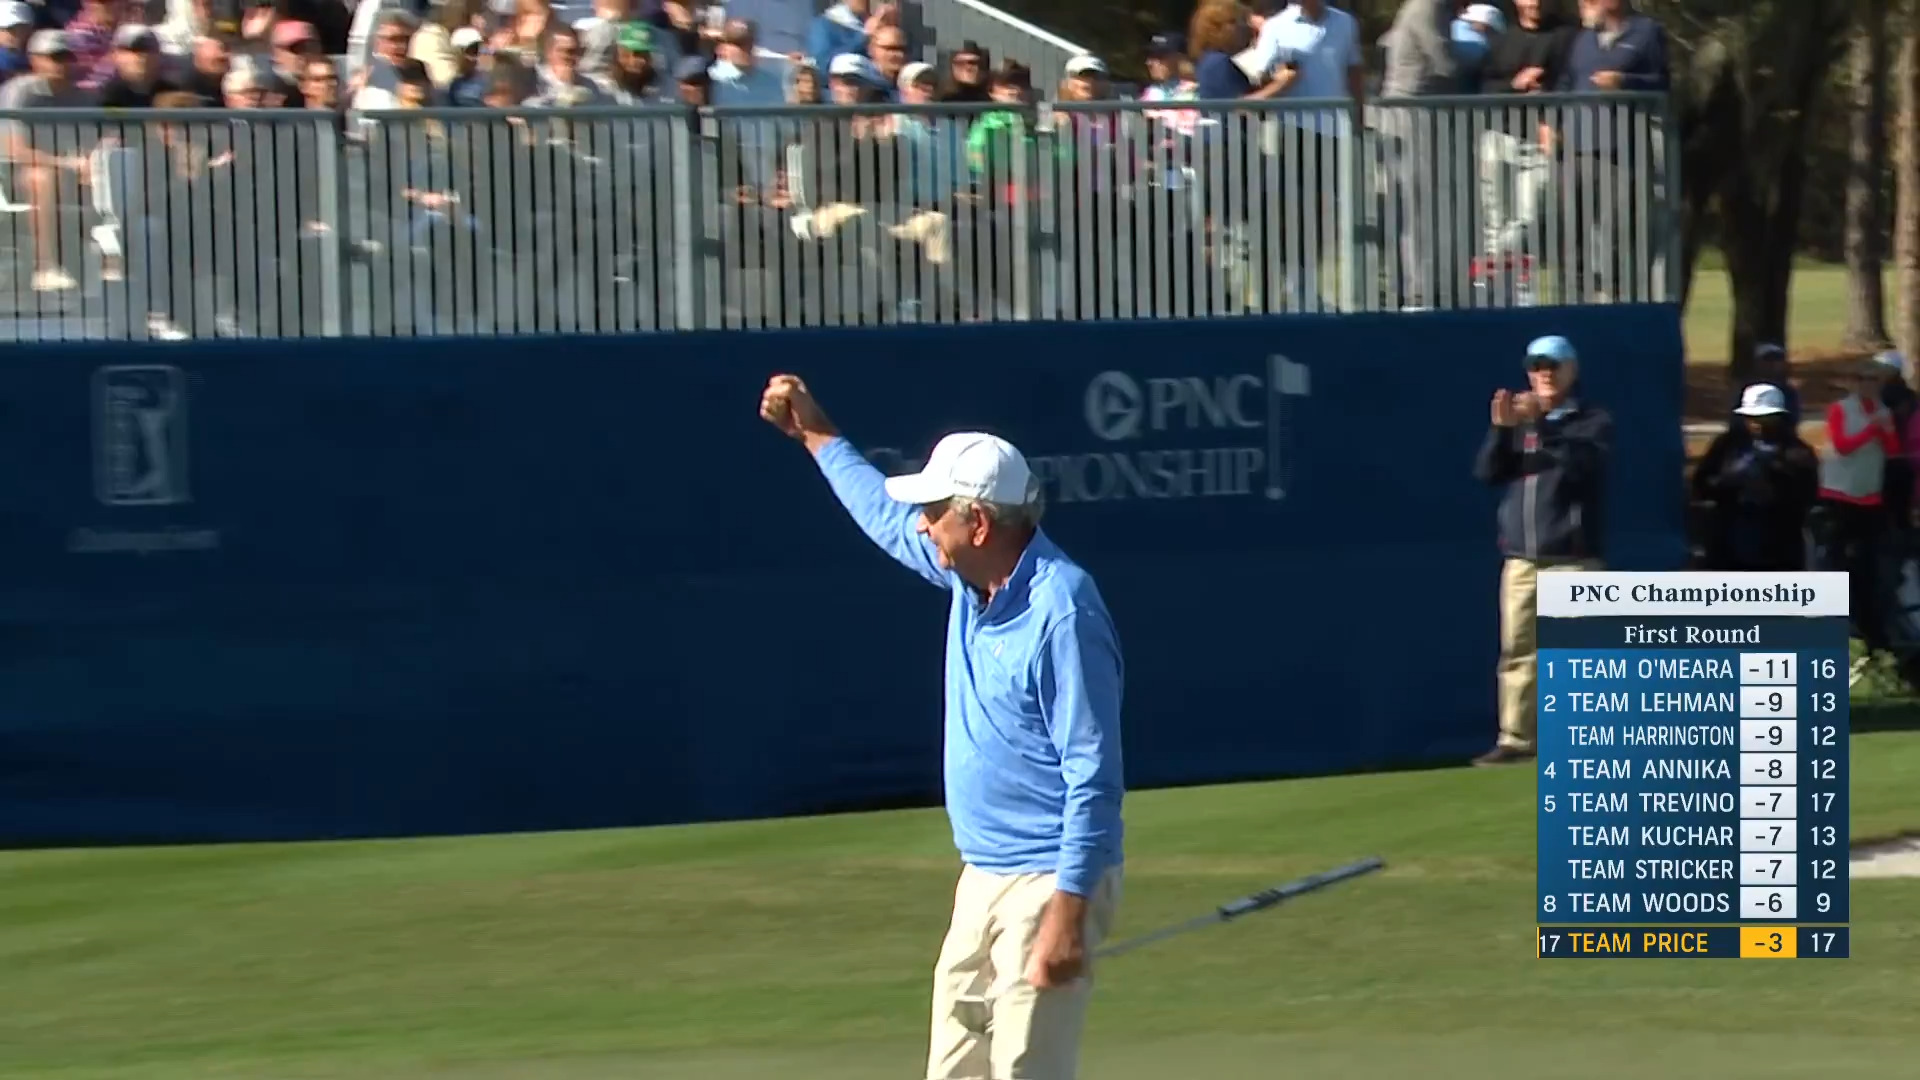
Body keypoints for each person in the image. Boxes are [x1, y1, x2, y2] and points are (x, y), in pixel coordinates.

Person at [758, 374, 1125, 1080]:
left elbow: (1094, 775)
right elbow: (880, 513)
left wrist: (1068, 912)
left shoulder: (1064, 612)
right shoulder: (967, 573)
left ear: (978, 523)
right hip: (982, 872)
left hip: (1048, 879)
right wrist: (816, 435)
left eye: (934, 512)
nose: (923, 526)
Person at [1471, 335, 1611, 766]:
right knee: (1518, 652)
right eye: (1536, 366)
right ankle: (1517, 739)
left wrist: (1543, 426)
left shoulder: (1591, 420)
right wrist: (1502, 430)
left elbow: (1581, 468)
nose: (1545, 373)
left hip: (1573, 560)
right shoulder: (1521, 422)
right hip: (1523, 561)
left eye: (1553, 365)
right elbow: (1488, 473)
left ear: (1572, 370)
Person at [1815, 355, 1902, 669]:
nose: (1869, 386)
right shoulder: (1840, 409)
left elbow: (1893, 451)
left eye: (1874, 380)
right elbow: (1842, 445)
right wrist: (1871, 430)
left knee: (1869, 568)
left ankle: (1871, 633)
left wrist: (1885, 430)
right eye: (1863, 379)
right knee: (1839, 561)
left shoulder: (1884, 411)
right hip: (1841, 495)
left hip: (1869, 496)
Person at [1691, 384, 1819, 571]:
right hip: (1729, 545)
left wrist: (1775, 477)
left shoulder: (1797, 451)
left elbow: (1807, 495)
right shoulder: (1727, 445)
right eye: (1752, 417)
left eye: (1765, 417)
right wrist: (1729, 479)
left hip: (1779, 549)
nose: (1758, 423)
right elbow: (1701, 485)